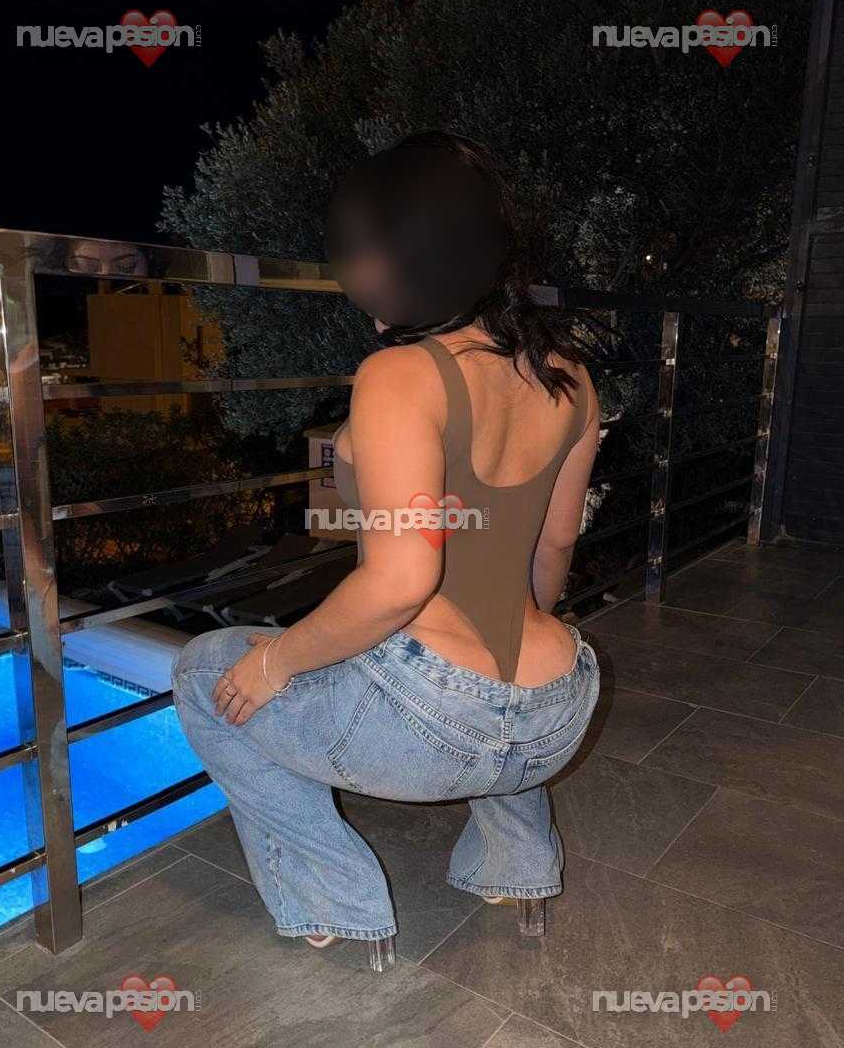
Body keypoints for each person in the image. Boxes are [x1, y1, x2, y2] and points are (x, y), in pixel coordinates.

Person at [171, 130, 601, 967]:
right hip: (558, 713)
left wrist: (275, 664)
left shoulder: (400, 376)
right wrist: (504, 668)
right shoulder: (570, 376)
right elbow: (554, 546)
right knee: (496, 654)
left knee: (204, 672)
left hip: (435, 733)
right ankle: (518, 866)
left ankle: (331, 899)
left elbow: (400, 582)